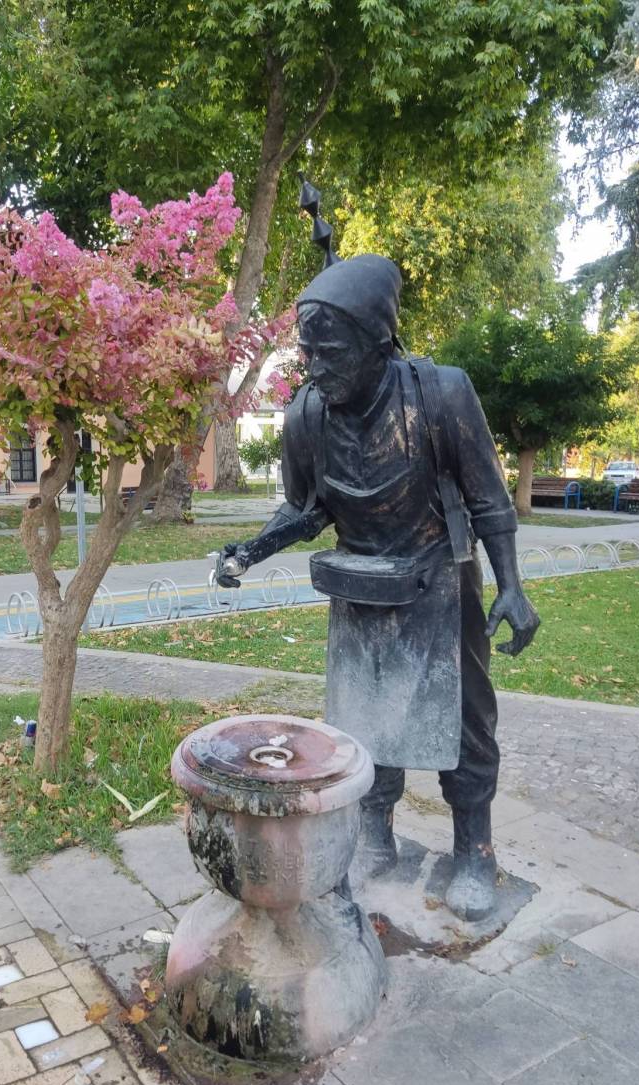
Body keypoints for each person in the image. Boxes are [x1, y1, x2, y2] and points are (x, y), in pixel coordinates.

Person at [215, 250, 539, 921]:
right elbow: (305, 508)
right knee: (363, 721)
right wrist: (252, 549)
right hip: (359, 585)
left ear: (379, 343)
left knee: (464, 722)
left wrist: (511, 585)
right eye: (308, 353)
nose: (314, 368)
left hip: (440, 582)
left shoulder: (440, 394)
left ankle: (473, 849)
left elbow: (489, 499)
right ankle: (373, 837)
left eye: (330, 353)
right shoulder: (308, 414)